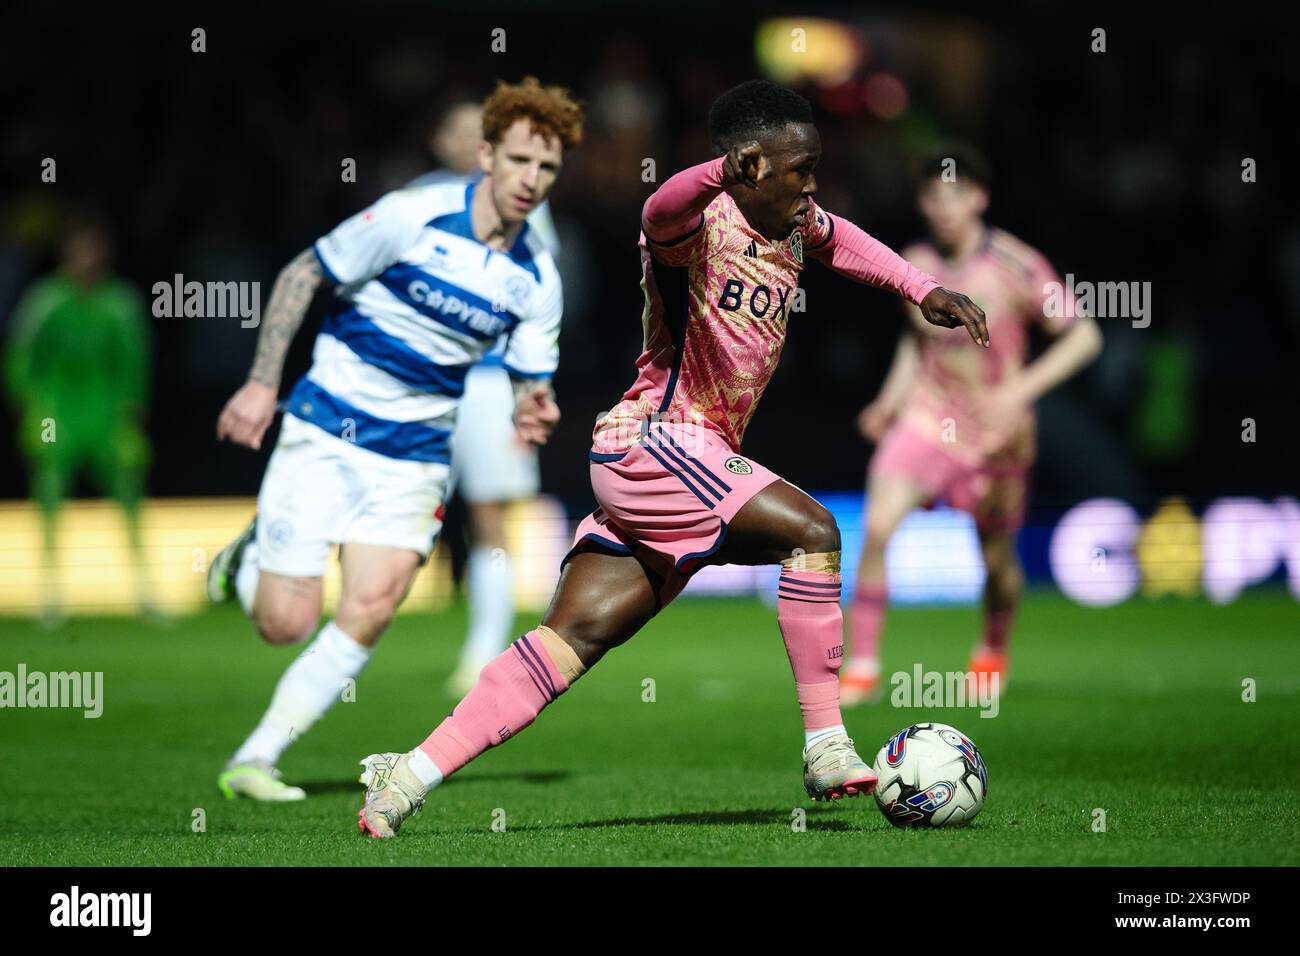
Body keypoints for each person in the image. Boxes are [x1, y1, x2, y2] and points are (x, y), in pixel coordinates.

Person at [354, 80, 989, 838]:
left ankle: (407, 776)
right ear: (750, 165)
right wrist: (722, 171)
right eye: (801, 167)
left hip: (689, 457)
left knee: (574, 638)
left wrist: (922, 288)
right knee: (814, 533)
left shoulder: (794, 222)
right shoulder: (696, 222)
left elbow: (844, 240)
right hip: (655, 442)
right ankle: (825, 744)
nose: (813, 183)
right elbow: (657, 209)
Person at [206, 78, 583, 801]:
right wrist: (261, 383)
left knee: (374, 605)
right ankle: (250, 555)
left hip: (414, 456)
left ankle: (257, 757)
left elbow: (531, 381)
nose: (531, 181)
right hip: (326, 430)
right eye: (520, 161)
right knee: (284, 624)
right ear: (485, 156)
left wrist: (535, 407)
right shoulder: (412, 215)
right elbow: (301, 274)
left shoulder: (537, 274)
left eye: (547, 168)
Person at [841, 147, 1103, 705]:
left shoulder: (1016, 264)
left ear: (979, 198)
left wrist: (1018, 391)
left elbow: (1084, 336)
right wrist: (889, 400)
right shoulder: (912, 261)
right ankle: (861, 667)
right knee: (879, 524)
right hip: (926, 419)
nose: (942, 207)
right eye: (932, 196)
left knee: (998, 563)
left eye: (954, 194)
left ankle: (992, 648)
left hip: (995, 434)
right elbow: (917, 341)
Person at [409, 98, 562, 697]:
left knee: (489, 516)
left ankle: (484, 649)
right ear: (441, 137)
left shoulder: (524, 205)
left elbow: (540, 300)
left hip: (491, 380)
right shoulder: (418, 200)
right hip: (419, 381)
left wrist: (533, 385)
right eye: (460, 127)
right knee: (404, 507)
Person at [5, 218, 152, 625]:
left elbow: (133, 359)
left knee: (129, 496)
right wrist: (29, 404)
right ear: (66, 260)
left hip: (107, 413)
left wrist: (131, 409)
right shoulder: (46, 301)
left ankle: (145, 590)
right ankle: (49, 595)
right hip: (58, 413)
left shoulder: (120, 303)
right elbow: (22, 354)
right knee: (50, 498)